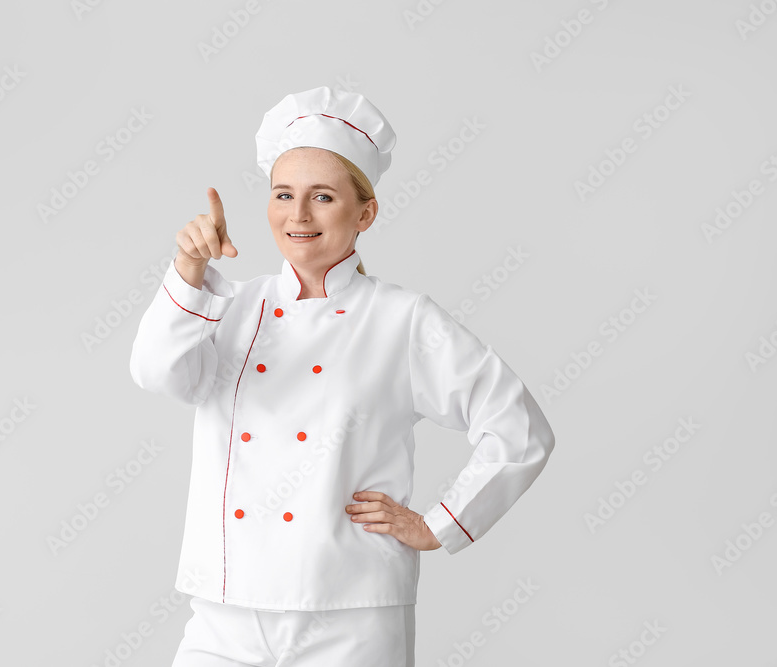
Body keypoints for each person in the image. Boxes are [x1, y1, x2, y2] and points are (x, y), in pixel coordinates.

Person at [129, 86, 556, 667]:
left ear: (366, 212)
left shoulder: (402, 319)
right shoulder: (225, 304)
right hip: (225, 609)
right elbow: (157, 374)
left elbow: (519, 428)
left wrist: (439, 524)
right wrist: (186, 272)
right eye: (283, 195)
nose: (298, 216)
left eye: (322, 196)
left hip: (350, 614)